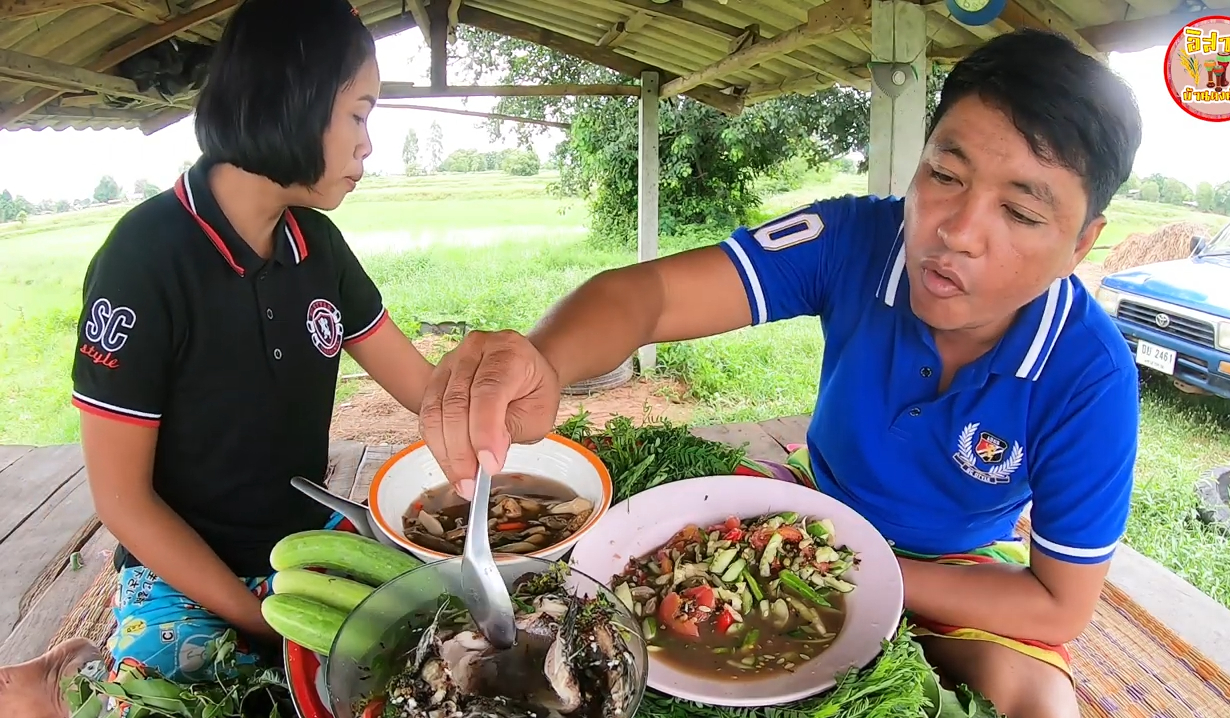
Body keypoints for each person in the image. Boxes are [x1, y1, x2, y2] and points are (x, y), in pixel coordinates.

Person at [417, 29, 1142, 718]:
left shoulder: (1092, 377)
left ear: (1082, 244)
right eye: (945, 175)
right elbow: (648, 296)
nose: (957, 231)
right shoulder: (853, 240)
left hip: (958, 564)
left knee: (1039, 703)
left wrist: (853, 567)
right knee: (616, 568)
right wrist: (544, 359)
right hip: (806, 506)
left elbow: (1059, 605)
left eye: (1020, 211)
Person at [72, 0, 435, 684]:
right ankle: (59, 678)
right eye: (359, 114)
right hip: (182, 574)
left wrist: (498, 382)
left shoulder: (317, 245)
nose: (367, 144)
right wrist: (258, 618)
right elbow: (122, 501)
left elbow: (425, 392)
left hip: (303, 549)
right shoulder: (144, 260)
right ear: (292, 99)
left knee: (432, 653)